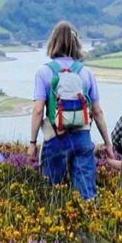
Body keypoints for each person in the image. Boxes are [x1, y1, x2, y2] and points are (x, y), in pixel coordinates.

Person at [28, 20, 115, 200]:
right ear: (76, 44)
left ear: (53, 43)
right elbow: (97, 112)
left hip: (55, 138)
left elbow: (38, 110)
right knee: (87, 195)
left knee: (53, 194)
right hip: (82, 138)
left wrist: (32, 143)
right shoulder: (86, 72)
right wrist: (108, 143)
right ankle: (89, 224)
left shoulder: (44, 72)